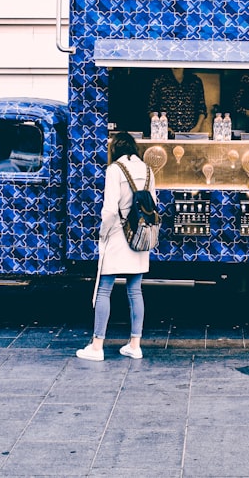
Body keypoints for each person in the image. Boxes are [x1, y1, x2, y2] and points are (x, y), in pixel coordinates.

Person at [76, 132, 155, 361]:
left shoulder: (114, 170)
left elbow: (110, 210)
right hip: (140, 237)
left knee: (103, 289)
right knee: (135, 290)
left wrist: (103, 233)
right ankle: (135, 344)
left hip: (117, 234)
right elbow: (153, 204)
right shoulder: (148, 169)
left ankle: (97, 346)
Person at [147, 68, 208, 134]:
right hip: (165, 134)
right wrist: (162, 127)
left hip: (190, 133)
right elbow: (152, 109)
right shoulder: (160, 81)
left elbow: (202, 109)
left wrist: (197, 127)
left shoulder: (195, 82)